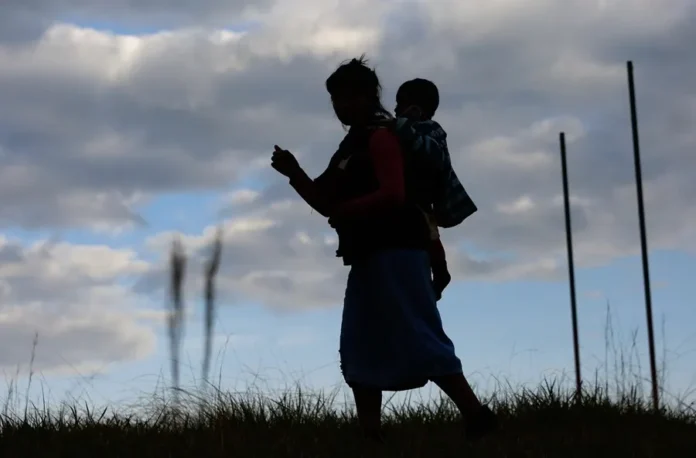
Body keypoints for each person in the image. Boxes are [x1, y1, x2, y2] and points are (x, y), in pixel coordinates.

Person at [270, 56, 497, 443]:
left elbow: (394, 194)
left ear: (368, 95)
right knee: (361, 342)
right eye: (335, 99)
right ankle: (371, 434)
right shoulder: (353, 143)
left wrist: (348, 210)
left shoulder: (381, 136)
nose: (341, 105)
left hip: (399, 251)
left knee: (417, 334)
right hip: (370, 255)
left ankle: (477, 416)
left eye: (348, 96)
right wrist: (294, 175)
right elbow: (326, 201)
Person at [394, 78, 452, 300]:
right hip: (421, 200)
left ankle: (440, 272)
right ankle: (439, 272)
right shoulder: (419, 130)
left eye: (400, 104)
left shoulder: (428, 131)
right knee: (431, 236)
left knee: (431, 235)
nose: (396, 109)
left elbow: (431, 156)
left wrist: (406, 122)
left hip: (422, 198)